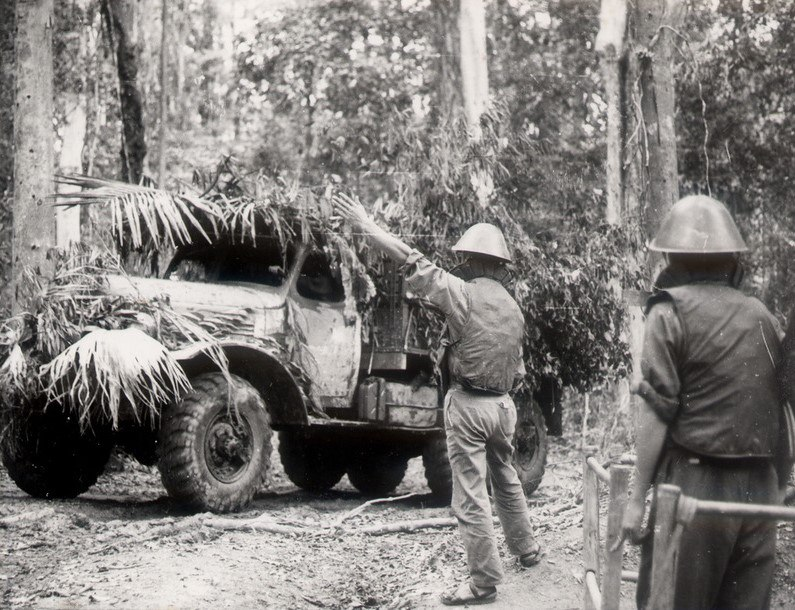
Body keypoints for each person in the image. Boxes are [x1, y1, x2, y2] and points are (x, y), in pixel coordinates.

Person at [333, 193, 541, 607]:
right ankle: (527, 550)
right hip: (504, 408)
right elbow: (517, 370)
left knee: (470, 494)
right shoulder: (515, 309)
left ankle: (483, 584)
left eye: (465, 259)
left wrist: (367, 224)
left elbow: (409, 258)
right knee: (506, 477)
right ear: (501, 265)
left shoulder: (461, 293)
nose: (461, 264)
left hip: (469, 406)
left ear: (474, 261)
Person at [619, 195, 788, 610]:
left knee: (671, 600)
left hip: (695, 485)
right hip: (760, 490)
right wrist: (780, 483)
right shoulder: (762, 314)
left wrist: (636, 499)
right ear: (732, 260)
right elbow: (784, 409)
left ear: (673, 259)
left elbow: (657, 413)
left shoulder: (667, 314)